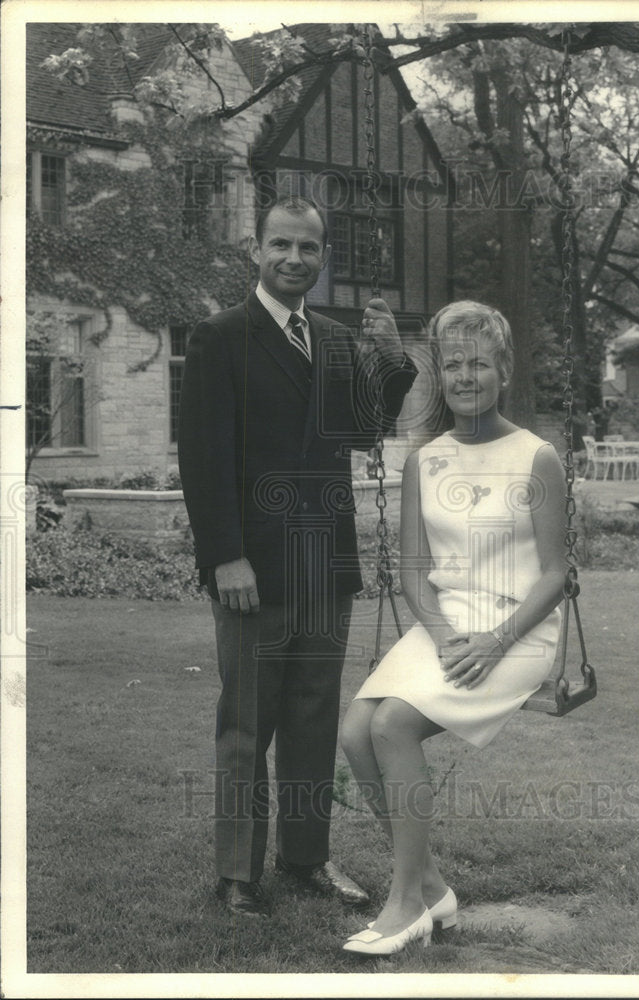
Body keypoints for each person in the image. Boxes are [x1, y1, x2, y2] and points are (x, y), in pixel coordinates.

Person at [178, 195, 417, 917]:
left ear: (322, 257)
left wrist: (393, 357)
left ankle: (307, 858)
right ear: (256, 249)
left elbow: (367, 426)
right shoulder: (222, 337)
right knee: (249, 720)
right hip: (252, 565)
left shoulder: (337, 339)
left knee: (314, 719)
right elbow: (204, 456)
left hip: (325, 565)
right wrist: (225, 557)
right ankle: (237, 875)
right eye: (280, 245)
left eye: (308, 249)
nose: (294, 260)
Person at [339, 301, 567, 955]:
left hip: (519, 630)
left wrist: (495, 642)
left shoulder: (537, 457)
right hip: (446, 624)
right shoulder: (425, 461)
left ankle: (405, 903)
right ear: (439, 375)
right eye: (453, 365)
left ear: (503, 370)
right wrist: (443, 637)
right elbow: (414, 574)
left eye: (479, 363)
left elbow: (555, 574)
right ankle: (434, 886)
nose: (466, 377)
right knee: (356, 732)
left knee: (392, 724)